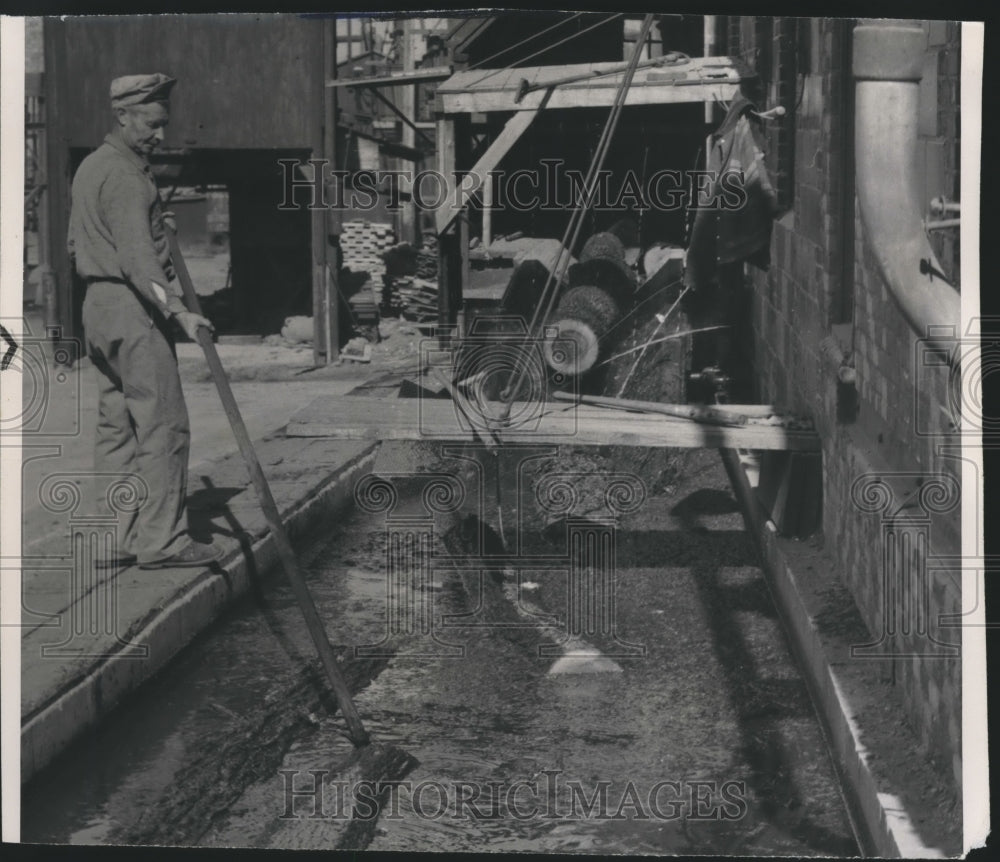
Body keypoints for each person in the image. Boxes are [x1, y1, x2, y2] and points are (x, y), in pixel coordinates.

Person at [68, 73, 219, 569]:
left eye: (163, 123)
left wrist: (155, 226)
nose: (160, 134)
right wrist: (179, 312)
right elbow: (138, 264)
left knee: (116, 427)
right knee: (163, 426)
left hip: (98, 308)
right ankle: (162, 543)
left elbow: (80, 243)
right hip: (134, 309)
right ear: (123, 115)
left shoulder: (92, 166)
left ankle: (115, 539)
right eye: (152, 124)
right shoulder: (128, 177)